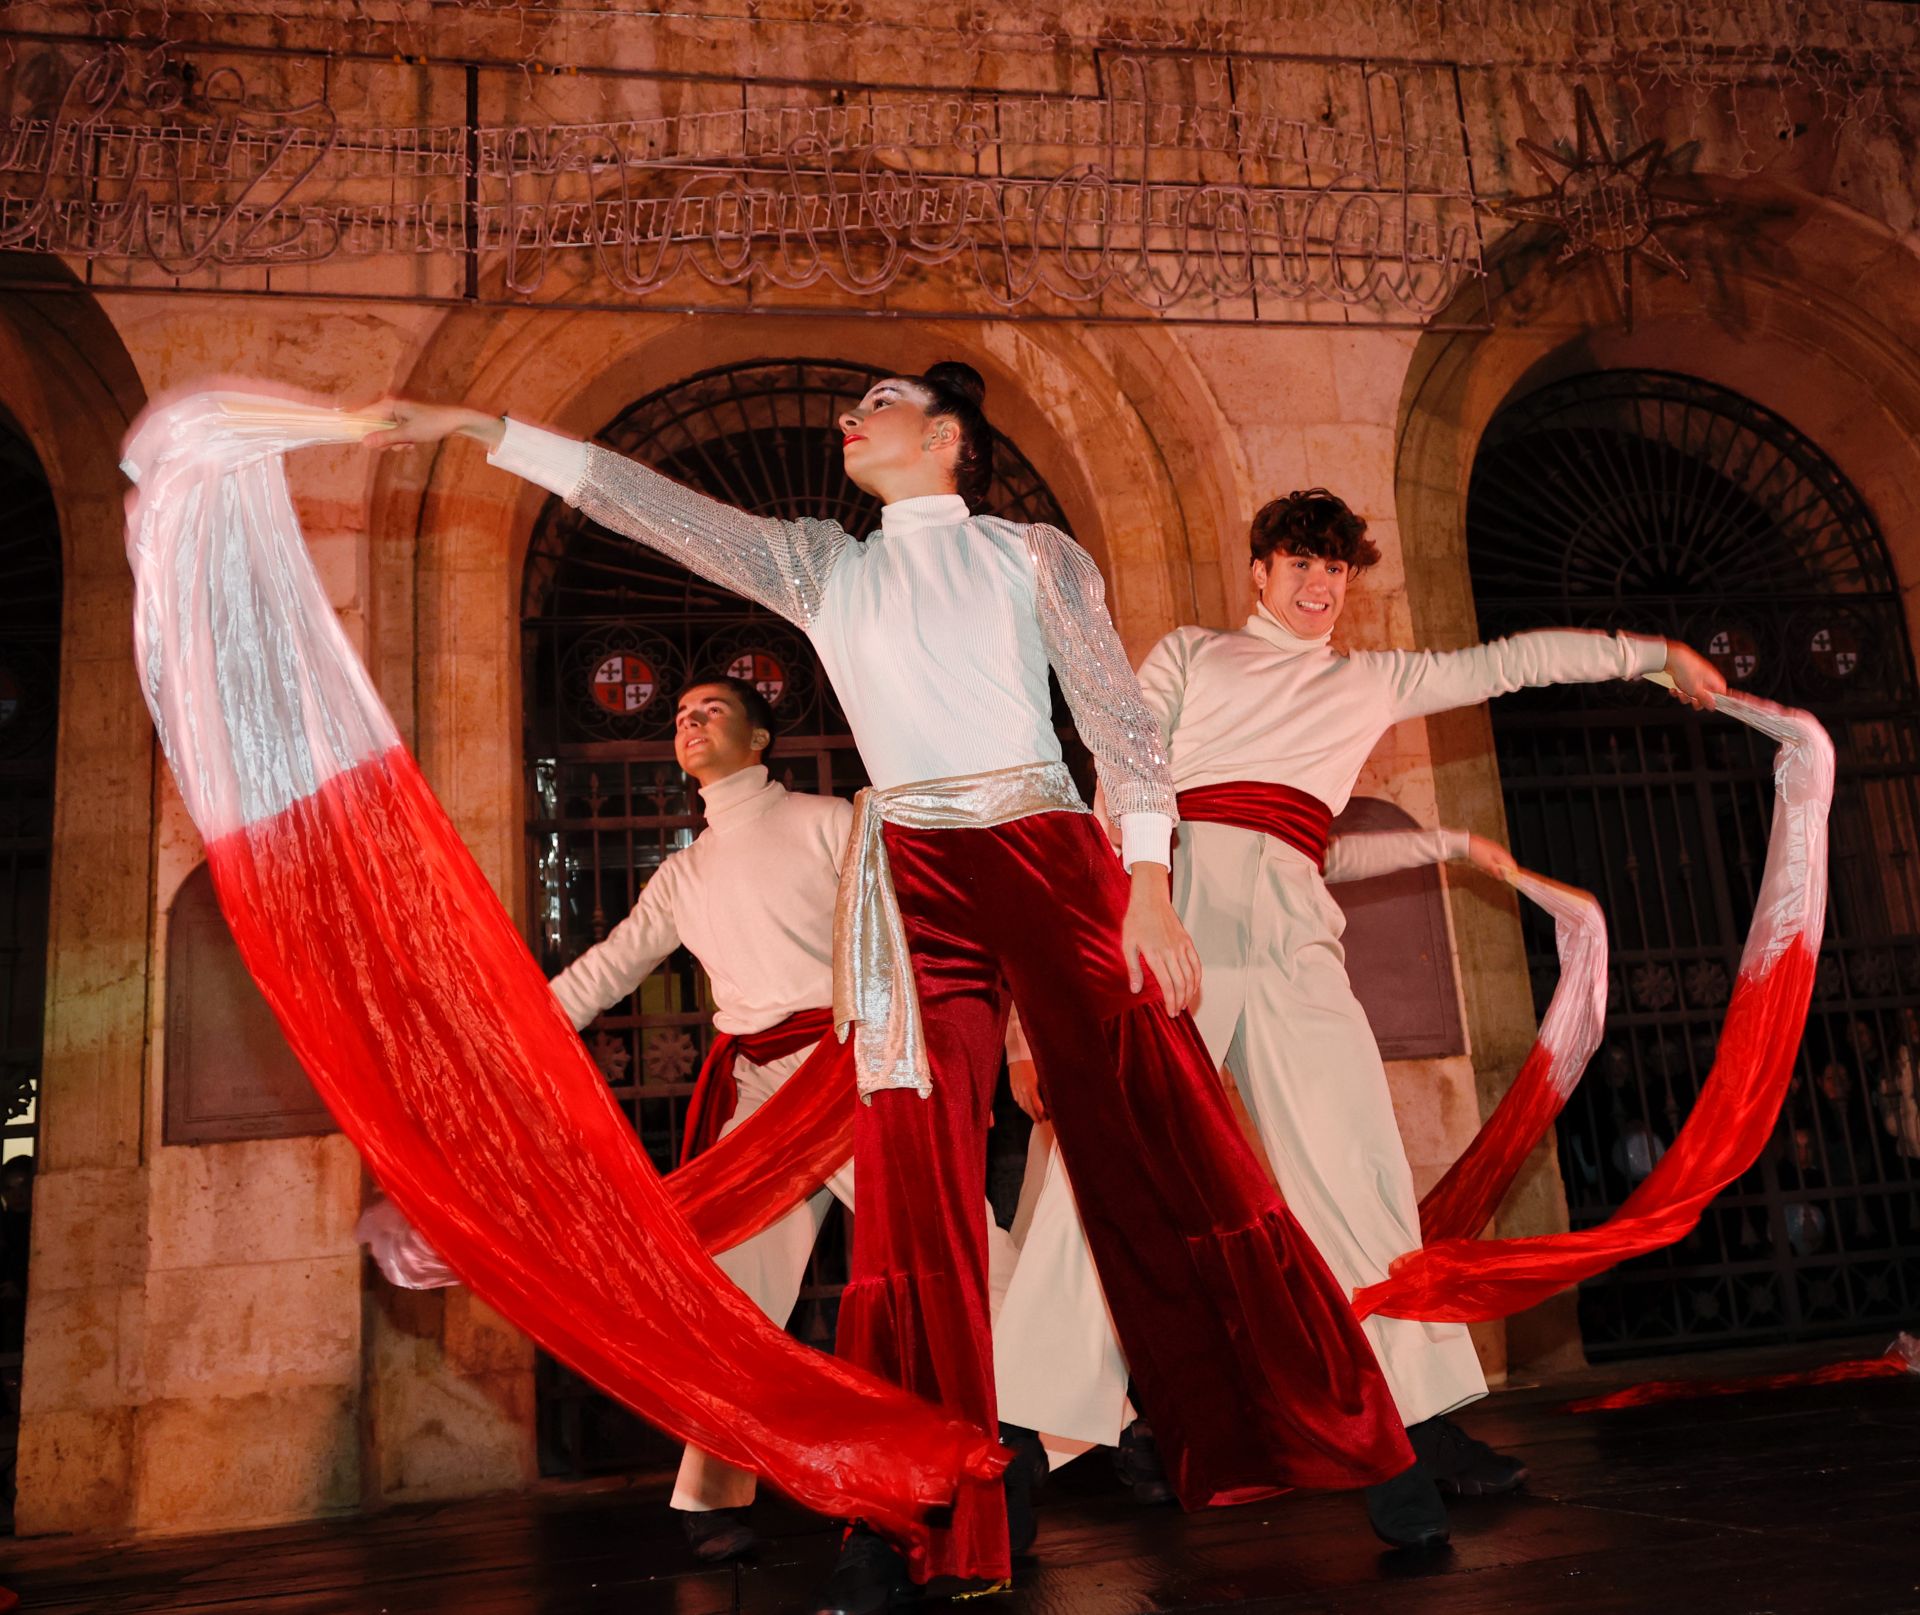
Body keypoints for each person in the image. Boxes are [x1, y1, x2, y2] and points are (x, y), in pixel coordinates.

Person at [372, 368, 1422, 1613]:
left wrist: (1147, 882)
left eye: (877, 402)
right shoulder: (824, 566)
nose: (848, 421)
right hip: (916, 874)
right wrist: (492, 432)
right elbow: (661, 511)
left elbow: (1119, 724)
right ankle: (909, 1515)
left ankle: (1361, 1438)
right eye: (849, 412)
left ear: (945, 439)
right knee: (911, 1193)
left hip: (1048, 849)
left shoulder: (1033, 554)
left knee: (1173, 1128)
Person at [1129, 487, 1727, 1503]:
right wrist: (1139, 899)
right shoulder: (1189, 651)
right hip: (1171, 909)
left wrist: (1648, 651)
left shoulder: (1372, 679)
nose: (1320, 585)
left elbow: (1509, 663)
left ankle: (1419, 1426)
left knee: (1358, 1171)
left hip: (1288, 928)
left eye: (1336, 569)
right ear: (1260, 572)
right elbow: (1126, 770)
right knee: (1127, 1182)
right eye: (1301, 564)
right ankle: (1093, 1426)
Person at [542, 673, 1026, 1564]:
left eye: (711, 710)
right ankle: (713, 1495)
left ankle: (1045, 1430)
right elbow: (602, 972)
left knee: (961, 1257)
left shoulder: (831, 821)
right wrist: (504, 1033)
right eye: (681, 715)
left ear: (761, 740)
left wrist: (999, 1041)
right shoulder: (684, 873)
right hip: (762, 1091)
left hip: (849, 1070)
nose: (689, 722)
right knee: (737, 1297)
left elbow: (923, 928)